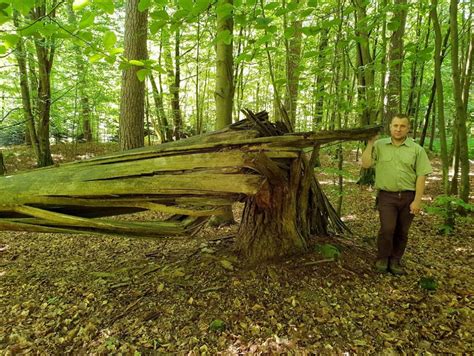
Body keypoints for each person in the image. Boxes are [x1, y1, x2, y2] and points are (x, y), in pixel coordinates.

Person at [361, 114, 432, 275]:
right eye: (395, 125)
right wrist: (370, 142)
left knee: (402, 231)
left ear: (408, 128)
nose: (398, 129)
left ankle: (395, 260)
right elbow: (366, 164)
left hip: (408, 196)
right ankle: (383, 258)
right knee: (387, 228)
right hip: (387, 196)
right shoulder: (379, 145)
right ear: (390, 127)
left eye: (402, 126)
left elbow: (422, 175)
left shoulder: (416, 150)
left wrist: (417, 201)